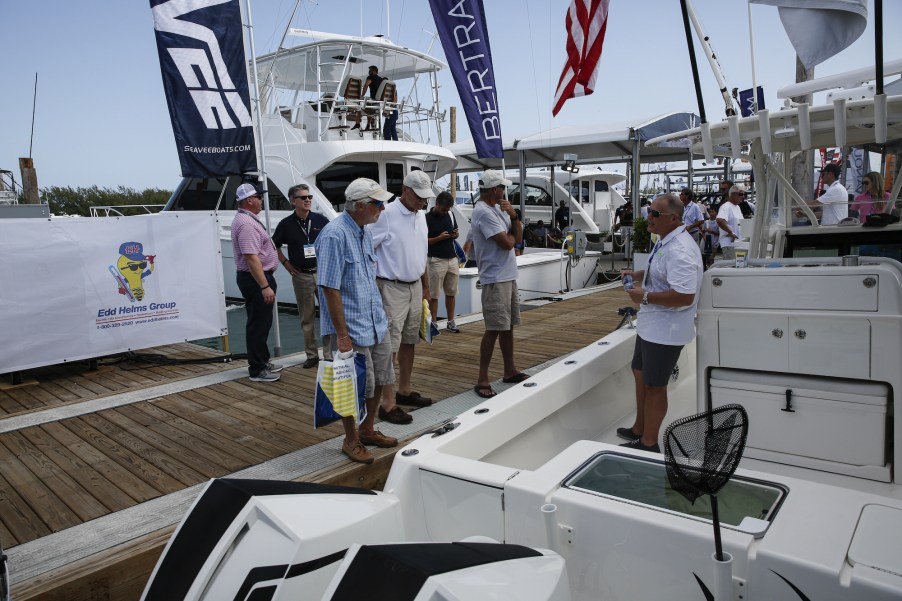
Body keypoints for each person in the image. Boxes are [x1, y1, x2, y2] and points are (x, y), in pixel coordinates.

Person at [315, 178, 398, 464]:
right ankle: (350, 440)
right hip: (351, 327)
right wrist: (342, 334)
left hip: (374, 322)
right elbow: (329, 287)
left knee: (380, 379)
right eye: (377, 203)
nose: (382, 208)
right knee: (353, 386)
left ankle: (367, 430)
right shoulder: (334, 235)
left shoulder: (363, 230)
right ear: (360, 205)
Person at [618, 193, 703, 453]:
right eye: (649, 212)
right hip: (651, 324)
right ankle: (639, 428)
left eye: (655, 214)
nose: (649, 218)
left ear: (674, 218)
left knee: (655, 386)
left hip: (666, 330)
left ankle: (649, 442)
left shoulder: (681, 251)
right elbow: (658, 269)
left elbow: (685, 296)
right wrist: (637, 275)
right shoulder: (666, 239)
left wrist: (644, 296)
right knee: (640, 372)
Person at [369, 170, 436, 424]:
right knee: (389, 347)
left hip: (415, 286)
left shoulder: (421, 215)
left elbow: (422, 253)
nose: (423, 202)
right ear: (405, 191)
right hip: (391, 286)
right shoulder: (386, 215)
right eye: (419, 196)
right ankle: (387, 403)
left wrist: (426, 287)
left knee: (410, 340)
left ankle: (404, 390)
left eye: (425, 197)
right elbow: (369, 250)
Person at [470, 170, 528, 398]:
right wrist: (513, 233)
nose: (505, 191)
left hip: (507, 276)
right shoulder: (483, 212)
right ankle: (482, 378)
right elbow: (507, 243)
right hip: (494, 278)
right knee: (494, 328)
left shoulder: (498, 209)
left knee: (507, 326)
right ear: (495, 189)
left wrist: (514, 217)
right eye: (502, 187)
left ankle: (509, 369)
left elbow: (518, 237)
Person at [272, 184, 329, 369]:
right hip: (301, 276)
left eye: (309, 197)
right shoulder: (286, 224)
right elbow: (274, 246)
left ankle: (329, 354)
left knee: (329, 314)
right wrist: (286, 264)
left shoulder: (321, 220)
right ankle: (312, 355)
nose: (307, 200)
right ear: (292, 201)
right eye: (303, 197)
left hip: (322, 273)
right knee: (307, 317)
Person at [232, 183, 282, 382]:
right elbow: (251, 258)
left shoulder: (248, 220)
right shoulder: (246, 224)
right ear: (249, 200)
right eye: (259, 197)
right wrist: (264, 286)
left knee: (262, 322)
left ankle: (262, 360)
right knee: (258, 325)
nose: (262, 200)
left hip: (258, 277)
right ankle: (257, 369)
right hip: (256, 279)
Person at [426, 191, 461, 333]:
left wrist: (455, 234)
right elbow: (423, 242)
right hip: (435, 259)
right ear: (437, 204)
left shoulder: (451, 215)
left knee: (451, 292)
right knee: (434, 294)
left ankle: (451, 321)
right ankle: (433, 323)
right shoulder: (426, 218)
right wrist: (439, 238)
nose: (445, 212)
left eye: (447, 210)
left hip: (452, 258)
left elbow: (455, 231)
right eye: (443, 209)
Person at [716, 185, 745, 262]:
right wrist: (730, 232)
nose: (743, 196)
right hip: (729, 244)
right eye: (741, 194)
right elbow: (720, 220)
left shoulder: (737, 207)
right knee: (731, 266)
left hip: (738, 244)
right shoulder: (726, 206)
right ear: (733, 194)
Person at [351, 65, 385, 131]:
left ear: (374, 71)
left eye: (370, 70)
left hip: (373, 101)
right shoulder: (380, 79)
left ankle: (357, 123)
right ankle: (368, 125)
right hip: (379, 102)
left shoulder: (370, 77)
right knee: (368, 106)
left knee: (358, 104)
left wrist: (361, 95)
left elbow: (366, 85)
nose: (369, 71)